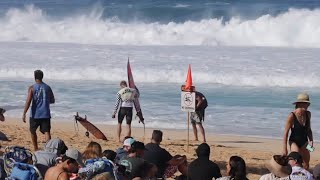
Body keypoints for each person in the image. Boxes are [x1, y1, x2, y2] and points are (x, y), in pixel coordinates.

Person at [22, 70, 55, 151]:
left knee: (33, 131)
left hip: (35, 114)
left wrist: (24, 113)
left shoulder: (32, 88)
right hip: (45, 114)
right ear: (42, 77)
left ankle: (36, 148)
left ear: (34, 77)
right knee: (47, 131)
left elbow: (28, 101)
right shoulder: (48, 87)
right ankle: (48, 150)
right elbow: (52, 100)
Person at [283, 92, 313, 169]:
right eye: (306, 104)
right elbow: (286, 133)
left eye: (308, 104)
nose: (308, 106)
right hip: (294, 141)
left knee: (306, 164)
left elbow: (309, 130)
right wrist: (284, 149)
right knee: (296, 160)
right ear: (299, 104)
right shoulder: (292, 116)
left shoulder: (308, 114)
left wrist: (311, 141)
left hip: (304, 141)